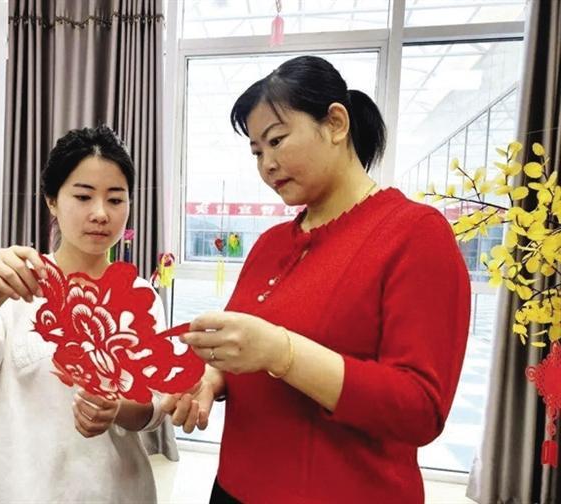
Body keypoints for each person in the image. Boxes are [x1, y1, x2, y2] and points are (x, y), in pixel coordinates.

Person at [162, 55, 471, 503]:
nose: (267, 164)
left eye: (277, 140)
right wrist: (211, 378)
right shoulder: (270, 244)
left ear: (336, 123)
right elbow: (239, 350)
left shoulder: (414, 233)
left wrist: (282, 352)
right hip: (235, 485)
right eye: (257, 152)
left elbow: (420, 408)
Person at [0, 125, 166, 503]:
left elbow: (152, 409)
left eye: (116, 199)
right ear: (51, 201)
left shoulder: (142, 297)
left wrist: (116, 409)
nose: (100, 213)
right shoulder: (17, 283)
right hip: (21, 491)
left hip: (115, 492)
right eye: (83, 196)